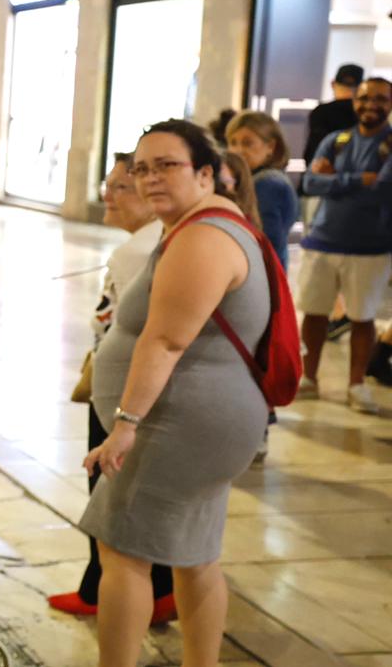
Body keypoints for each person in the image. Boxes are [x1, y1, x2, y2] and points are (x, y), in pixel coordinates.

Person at [81, 119, 272, 667]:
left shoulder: (203, 237)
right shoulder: (203, 225)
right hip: (200, 423)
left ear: (208, 173)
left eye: (167, 165)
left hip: (178, 427)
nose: (149, 179)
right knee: (194, 556)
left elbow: (165, 341)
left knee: (122, 553)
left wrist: (124, 425)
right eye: (141, 168)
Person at [48, 154, 175, 623]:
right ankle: (155, 589)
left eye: (121, 187)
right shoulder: (152, 242)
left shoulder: (138, 251)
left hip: (125, 394)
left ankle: (106, 591)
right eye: (109, 184)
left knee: (111, 492)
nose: (108, 195)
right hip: (134, 389)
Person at [296, 77, 392, 413]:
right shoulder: (336, 140)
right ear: (355, 102)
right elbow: (308, 182)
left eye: (380, 99)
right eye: (365, 98)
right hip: (323, 240)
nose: (371, 105)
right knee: (314, 312)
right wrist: (355, 180)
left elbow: (383, 189)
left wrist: (333, 179)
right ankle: (308, 378)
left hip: (371, 247)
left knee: (361, 317)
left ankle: (356, 385)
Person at [224, 111, 299, 269]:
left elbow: (268, 246)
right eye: (233, 142)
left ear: (270, 146)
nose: (238, 150)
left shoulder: (267, 184)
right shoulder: (258, 180)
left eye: (247, 143)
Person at [302, 64, 365, 173]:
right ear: (361, 88)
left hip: (321, 178)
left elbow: (313, 152)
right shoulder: (366, 115)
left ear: (333, 84)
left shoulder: (320, 112)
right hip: (358, 179)